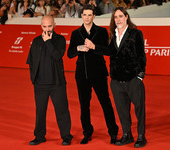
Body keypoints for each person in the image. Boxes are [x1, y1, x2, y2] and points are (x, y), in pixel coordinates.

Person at [67, 4, 118, 145]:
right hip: (82, 75)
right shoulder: (76, 33)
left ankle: (113, 133)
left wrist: (94, 47)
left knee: (105, 103)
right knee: (84, 105)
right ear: (81, 16)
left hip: (99, 74)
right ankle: (87, 133)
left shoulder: (101, 32)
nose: (87, 17)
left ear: (94, 16)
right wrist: (79, 48)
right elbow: (70, 54)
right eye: (85, 15)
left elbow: (108, 51)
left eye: (90, 15)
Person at [26, 15, 73, 146]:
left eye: (50, 26)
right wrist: (34, 79)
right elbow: (31, 62)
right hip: (40, 84)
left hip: (57, 84)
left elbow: (57, 56)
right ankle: (39, 136)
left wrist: (48, 41)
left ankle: (66, 136)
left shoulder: (60, 40)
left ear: (55, 25)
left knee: (62, 110)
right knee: (40, 111)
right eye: (44, 26)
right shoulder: (35, 41)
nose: (47, 29)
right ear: (41, 26)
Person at [108, 7, 147, 148]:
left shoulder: (136, 34)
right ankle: (127, 134)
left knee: (139, 109)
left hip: (133, 79)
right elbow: (109, 53)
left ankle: (141, 136)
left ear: (126, 17)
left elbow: (142, 55)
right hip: (116, 81)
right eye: (115, 17)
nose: (118, 19)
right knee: (122, 110)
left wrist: (140, 76)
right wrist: (93, 46)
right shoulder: (112, 35)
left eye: (120, 16)